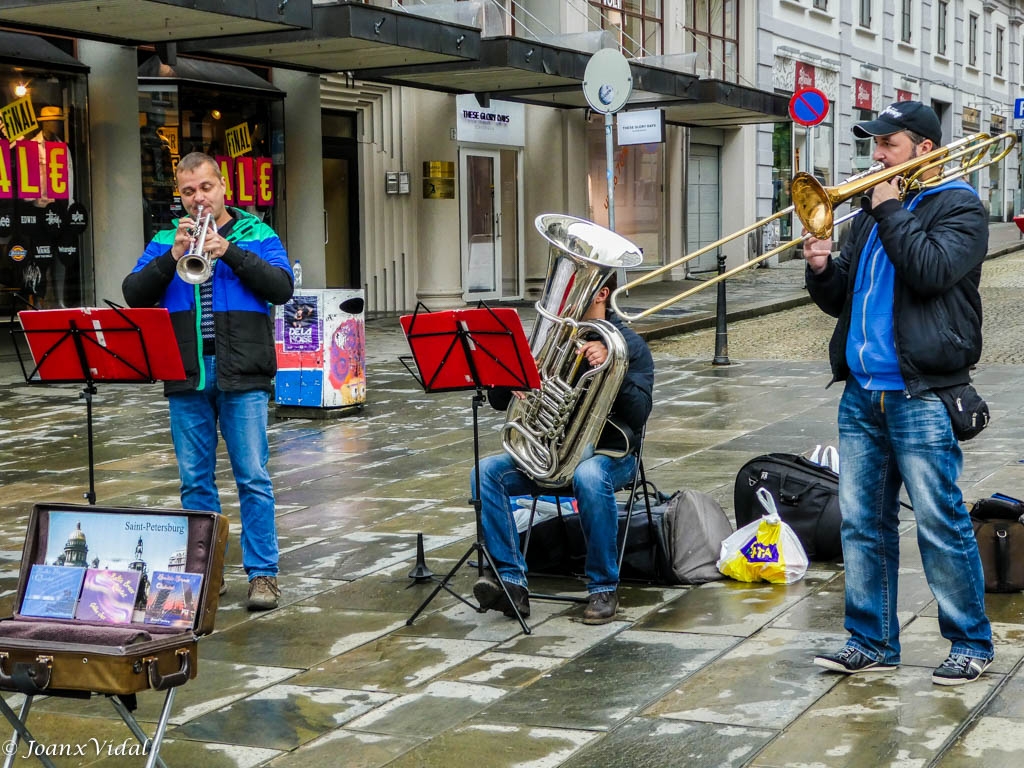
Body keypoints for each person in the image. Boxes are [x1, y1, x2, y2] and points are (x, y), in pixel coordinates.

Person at [802, 101, 994, 685]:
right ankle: (871, 639)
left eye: (888, 144)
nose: (876, 155)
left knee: (939, 521)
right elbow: (843, 301)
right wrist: (820, 267)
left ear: (924, 150)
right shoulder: (866, 215)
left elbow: (930, 270)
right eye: (874, 144)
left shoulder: (960, 207)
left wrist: (888, 207)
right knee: (862, 523)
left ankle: (970, 642)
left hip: (922, 393)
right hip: (862, 393)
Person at [123, 151, 294, 611]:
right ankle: (204, 573)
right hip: (186, 373)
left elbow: (281, 287)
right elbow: (133, 293)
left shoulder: (257, 233)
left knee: (253, 478)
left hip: (244, 371)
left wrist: (229, 251)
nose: (198, 198)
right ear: (179, 194)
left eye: (205, 188)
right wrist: (175, 256)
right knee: (194, 481)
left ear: (222, 188)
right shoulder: (165, 238)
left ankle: (263, 576)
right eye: (188, 191)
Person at [471, 273, 654, 625]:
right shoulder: (553, 341)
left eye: (575, 290)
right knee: (485, 474)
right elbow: (497, 401)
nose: (565, 299)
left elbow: (639, 413)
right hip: (548, 455)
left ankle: (603, 586)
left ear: (601, 293)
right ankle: (512, 583)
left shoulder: (628, 345)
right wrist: (513, 379)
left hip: (611, 456)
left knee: (588, 475)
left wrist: (612, 367)